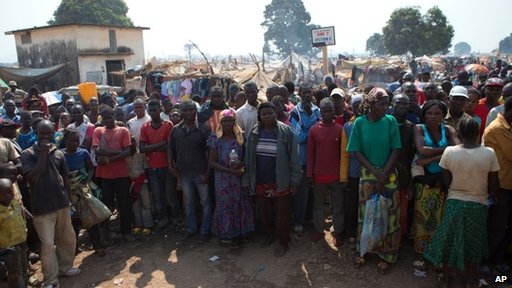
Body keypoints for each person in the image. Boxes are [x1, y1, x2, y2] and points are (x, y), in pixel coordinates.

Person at [424, 118, 500, 288]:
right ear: (477, 133)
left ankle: (445, 277)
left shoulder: (449, 152)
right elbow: (494, 183)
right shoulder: (489, 153)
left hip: (454, 203)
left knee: (448, 240)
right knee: (474, 242)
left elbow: (446, 180)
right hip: (478, 204)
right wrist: (494, 195)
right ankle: (470, 279)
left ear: (459, 133)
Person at [347, 87, 401, 273]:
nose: (386, 107)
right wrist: (374, 172)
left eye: (387, 103)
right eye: (382, 103)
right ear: (370, 104)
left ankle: (388, 255)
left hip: (389, 175)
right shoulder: (360, 123)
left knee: (389, 215)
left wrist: (383, 174)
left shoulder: (391, 121)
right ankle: (366, 250)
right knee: (367, 215)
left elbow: (396, 149)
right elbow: (355, 150)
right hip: (368, 176)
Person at [21, 119, 80, 287]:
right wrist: (44, 155)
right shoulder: (28, 154)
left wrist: (69, 200)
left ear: (54, 134)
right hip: (42, 207)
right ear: (36, 134)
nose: (46, 137)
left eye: (49, 133)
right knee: (47, 245)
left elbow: (66, 179)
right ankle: (51, 279)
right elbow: (32, 178)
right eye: (42, 133)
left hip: (61, 203)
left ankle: (65, 268)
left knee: (66, 239)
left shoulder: (59, 153)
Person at [243, 102, 301, 256]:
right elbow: (249, 159)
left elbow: (294, 158)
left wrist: (295, 181)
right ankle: (269, 235)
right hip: (262, 180)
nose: (267, 116)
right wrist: (248, 179)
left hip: (281, 180)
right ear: (260, 117)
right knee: (265, 212)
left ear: (275, 113)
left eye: (270, 113)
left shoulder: (285, 131)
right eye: (264, 114)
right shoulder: (255, 132)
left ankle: (283, 241)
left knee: (282, 214)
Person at [412, 100, 459, 257]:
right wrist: (446, 150)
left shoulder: (448, 129)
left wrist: (433, 158)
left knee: (442, 218)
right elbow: (422, 150)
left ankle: (438, 251)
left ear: (443, 115)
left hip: (445, 181)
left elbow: (458, 150)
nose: (433, 116)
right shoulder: (419, 128)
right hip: (426, 181)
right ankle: (422, 251)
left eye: (437, 113)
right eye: (429, 113)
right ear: (424, 115)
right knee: (423, 218)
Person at [207, 108, 254, 247]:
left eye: (230, 120)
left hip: (239, 176)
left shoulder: (240, 136)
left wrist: (241, 165)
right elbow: (212, 162)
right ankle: (226, 233)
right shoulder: (215, 137)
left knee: (240, 202)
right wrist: (229, 170)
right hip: (223, 178)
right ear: (220, 122)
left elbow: (246, 156)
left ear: (235, 121)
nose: (227, 123)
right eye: (224, 121)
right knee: (225, 204)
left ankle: (241, 232)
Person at [168, 101, 212, 243]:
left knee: (205, 202)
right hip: (184, 173)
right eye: (185, 110)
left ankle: (205, 231)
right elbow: (171, 149)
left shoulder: (204, 129)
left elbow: (210, 152)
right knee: (188, 203)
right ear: (181, 111)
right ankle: (191, 229)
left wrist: (207, 173)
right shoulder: (176, 130)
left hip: (200, 172)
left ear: (195, 111)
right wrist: (171, 166)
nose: (188, 113)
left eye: (191, 110)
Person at [61, 128, 106, 257]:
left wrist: (86, 181)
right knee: (73, 222)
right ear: (66, 141)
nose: (75, 143)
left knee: (91, 218)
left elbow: (91, 169)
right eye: (72, 141)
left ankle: (98, 246)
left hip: (83, 189)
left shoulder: (83, 153)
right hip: (69, 191)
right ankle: (73, 249)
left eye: (77, 140)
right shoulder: (60, 155)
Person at [307, 98, 344, 246]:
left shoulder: (340, 130)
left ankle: (338, 232)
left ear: (334, 112)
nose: (327, 114)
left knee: (337, 206)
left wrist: (343, 176)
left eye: (330, 111)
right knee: (318, 205)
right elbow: (310, 154)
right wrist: (310, 174)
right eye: (325, 111)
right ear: (320, 112)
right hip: (319, 175)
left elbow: (343, 156)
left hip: (336, 176)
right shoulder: (314, 130)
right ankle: (318, 229)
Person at [92, 107, 133, 241]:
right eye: (105, 118)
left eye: (110, 117)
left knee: (124, 204)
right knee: (106, 206)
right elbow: (97, 151)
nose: (108, 120)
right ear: (101, 119)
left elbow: (128, 152)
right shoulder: (98, 131)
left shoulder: (123, 130)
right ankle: (106, 233)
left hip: (121, 174)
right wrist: (118, 153)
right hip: (105, 176)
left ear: (114, 116)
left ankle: (126, 232)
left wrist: (108, 159)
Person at [483, 97, 512, 275]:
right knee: (497, 225)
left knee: (505, 225)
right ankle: (486, 261)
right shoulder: (498, 128)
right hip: (501, 185)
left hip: (508, 184)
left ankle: (497, 259)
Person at [140, 99, 177, 230]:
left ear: (160, 110)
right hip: (152, 167)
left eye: (155, 110)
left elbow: (170, 146)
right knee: (157, 195)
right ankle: (162, 220)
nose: (152, 112)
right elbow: (142, 148)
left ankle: (175, 219)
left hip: (167, 165)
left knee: (170, 194)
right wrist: (160, 144)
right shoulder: (145, 127)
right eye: (150, 110)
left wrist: (152, 147)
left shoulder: (168, 125)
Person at [290, 83, 320, 237]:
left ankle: (310, 219)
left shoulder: (318, 111)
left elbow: (321, 133)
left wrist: (312, 117)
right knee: (301, 193)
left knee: (314, 192)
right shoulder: (295, 113)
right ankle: (299, 222)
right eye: (304, 92)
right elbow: (299, 137)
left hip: (317, 159)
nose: (307, 95)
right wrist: (313, 128)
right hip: (302, 159)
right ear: (299, 94)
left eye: (309, 92)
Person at [340, 94, 363, 243]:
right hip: (354, 172)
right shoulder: (348, 126)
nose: (359, 109)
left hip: (371, 173)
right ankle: (352, 232)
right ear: (351, 108)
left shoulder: (374, 124)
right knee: (353, 203)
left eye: (362, 106)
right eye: (356, 106)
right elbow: (344, 154)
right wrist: (344, 177)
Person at [391, 94, 415, 237]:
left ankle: (400, 236)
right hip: (387, 172)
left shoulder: (411, 128)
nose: (402, 106)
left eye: (405, 104)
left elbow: (412, 154)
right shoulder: (385, 124)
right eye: (398, 103)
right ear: (392, 104)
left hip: (404, 174)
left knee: (403, 210)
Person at [0, 178, 28, 288]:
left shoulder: (15, 202)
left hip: (22, 241)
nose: (8, 196)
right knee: (16, 274)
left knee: (24, 268)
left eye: (10, 192)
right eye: (3, 194)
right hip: (9, 249)